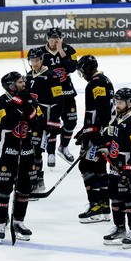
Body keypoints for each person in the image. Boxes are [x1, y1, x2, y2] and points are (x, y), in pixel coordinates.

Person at [0, 72, 39, 243]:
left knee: (24, 188)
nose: (24, 83)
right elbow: (7, 123)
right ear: (11, 85)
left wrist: (27, 105)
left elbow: (37, 121)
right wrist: (19, 105)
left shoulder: (29, 98)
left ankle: (18, 221)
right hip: (6, 152)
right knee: (3, 189)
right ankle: (0, 222)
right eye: (20, 81)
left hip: (26, 151)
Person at [100, 88, 131, 248]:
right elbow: (112, 139)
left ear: (130, 103)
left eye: (120, 102)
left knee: (129, 200)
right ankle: (120, 228)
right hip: (115, 165)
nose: (117, 105)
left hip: (129, 166)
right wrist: (105, 147)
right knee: (115, 197)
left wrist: (130, 168)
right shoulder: (116, 119)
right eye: (116, 102)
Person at [73, 55, 114, 224]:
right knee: (99, 167)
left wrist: (95, 133)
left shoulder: (96, 82)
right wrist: (85, 130)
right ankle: (104, 206)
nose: (82, 74)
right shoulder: (103, 79)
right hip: (98, 131)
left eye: (83, 70)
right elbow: (98, 110)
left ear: (89, 67)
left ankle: (95, 205)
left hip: (98, 134)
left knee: (86, 166)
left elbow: (103, 108)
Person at [25, 47, 63, 194]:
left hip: (44, 119)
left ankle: (38, 182)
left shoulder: (51, 76)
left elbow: (58, 100)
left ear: (42, 60)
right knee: (30, 150)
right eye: (32, 60)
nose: (34, 63)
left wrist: (53, 122)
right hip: (31, 119)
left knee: (36, 151)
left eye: (36, 60)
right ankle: (33, 180)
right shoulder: (28, 76)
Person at [40, 27, 78, 167]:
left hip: (67, 92)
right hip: (50, 96)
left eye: (57, 40)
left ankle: (63, 147)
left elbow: (72, 68)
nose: (54, 42)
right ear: (47, 39)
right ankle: (50, 153)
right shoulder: (40, 52)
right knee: (52, 124)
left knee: (71, 122)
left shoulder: (69, 50)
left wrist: (61, 51)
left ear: (61, 39)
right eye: (51, 40)